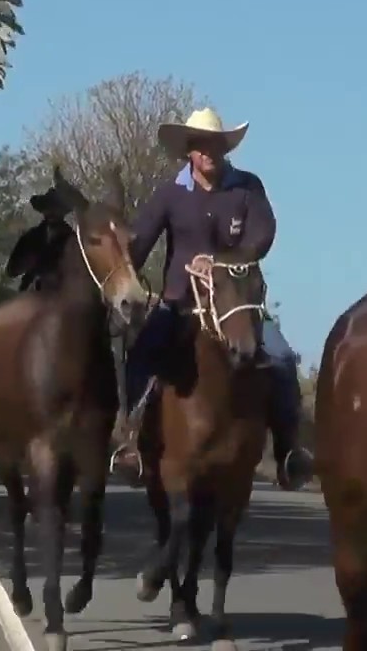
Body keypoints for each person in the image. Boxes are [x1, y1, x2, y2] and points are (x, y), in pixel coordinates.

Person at [109, 107, 315, 491]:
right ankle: (132, 442)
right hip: (180, 303)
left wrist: (220, 261)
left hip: (236, 303)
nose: (208, 152)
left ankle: (289, 452)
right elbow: (141, 241)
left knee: (282, 358)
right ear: (189, 150)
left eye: (214, 144)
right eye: (200, 145)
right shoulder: (170, 194)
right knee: (142, 355)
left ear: (224, 148)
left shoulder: (247, 188)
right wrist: (120, 266)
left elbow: (261, 237)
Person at [5, 186, 73, 292]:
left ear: (62, 212)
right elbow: (11, 271)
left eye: (56, 208)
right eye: (48, 208)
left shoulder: (72, 240)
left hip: (60, 294)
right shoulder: (31, 236)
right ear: (43, 210)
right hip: (30, 293)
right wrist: (26, 263)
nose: (51, 212)